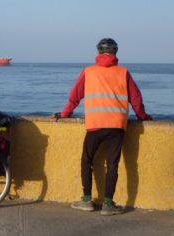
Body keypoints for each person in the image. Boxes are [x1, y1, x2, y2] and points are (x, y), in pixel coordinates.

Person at [53, 38, 152, 216]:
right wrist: (143, 117)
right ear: (115, 53)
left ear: (98, 52)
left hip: (95, 125)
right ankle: (107, 204)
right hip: (116, 125)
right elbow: (136, 99)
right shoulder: (124, 72)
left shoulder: (89, 71)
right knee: (112, 164)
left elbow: (75, 96)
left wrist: (65, 114)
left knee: (87, 161)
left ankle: (87, 200)